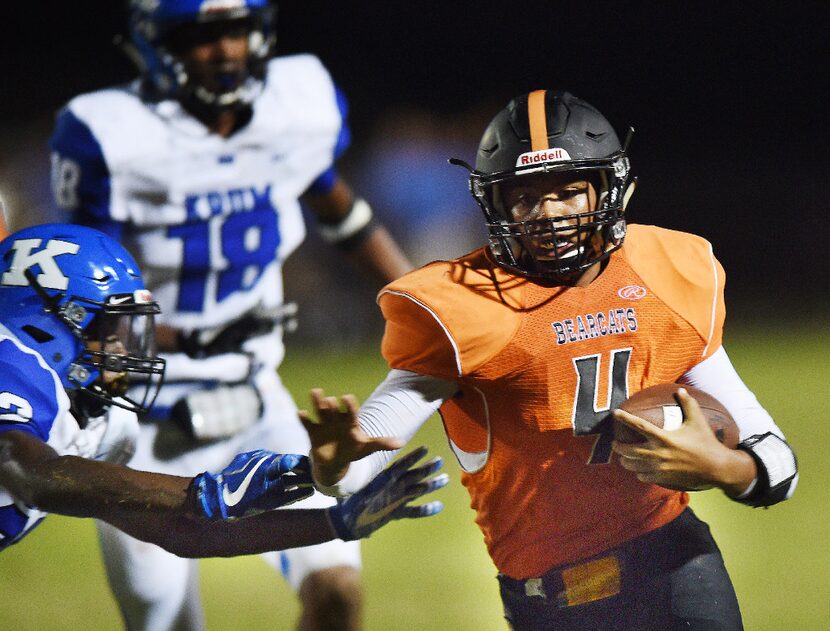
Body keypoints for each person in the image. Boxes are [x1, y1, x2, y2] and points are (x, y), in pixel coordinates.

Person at [299, 90, 799, 630]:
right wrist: (333, 462)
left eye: (568, 191)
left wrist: (721, 467)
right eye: (526, 197)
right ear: (496, 204)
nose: (549, 213)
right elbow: (357, 463)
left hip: (678, 565)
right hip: (552, 597)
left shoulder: (670, 271)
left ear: (608, 190)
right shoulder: (462, 306)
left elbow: (776, 460)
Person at [48, 1, 412, 630]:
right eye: (202, 35)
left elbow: (342, 213)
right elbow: (78, 288)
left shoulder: (291, 109)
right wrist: (183, 335)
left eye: (236, 30)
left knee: (337, 593)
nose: (225, 51)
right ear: (157, 44)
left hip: (255, 394)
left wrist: (424, 306)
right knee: (166, 623)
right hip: (142, 417)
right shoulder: (112, 134)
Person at [0, 222, 447, 560]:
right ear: (44, 321)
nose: (122, 348)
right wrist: (205, 492)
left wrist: (337, 522)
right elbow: (32, 475)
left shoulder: (102, 423)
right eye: (106, 329)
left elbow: (184, 532)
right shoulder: (11, 361)